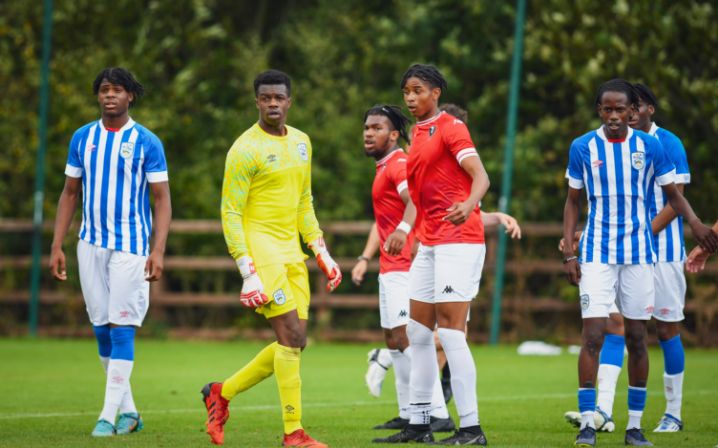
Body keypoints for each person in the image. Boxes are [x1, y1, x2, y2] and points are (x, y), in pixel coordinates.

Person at [562, 79, 718, 447]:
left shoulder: (651, 146)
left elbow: (672, 195)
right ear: (599, 110)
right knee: (594, 335)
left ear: (633, 111)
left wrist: (695, 225)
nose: (614, 116)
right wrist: (570, 251)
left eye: (621, 110)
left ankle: (635, 426)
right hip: (598, 252)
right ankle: (589, 421)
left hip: (640, 254)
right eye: (607, 110)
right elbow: (572, 200)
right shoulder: (582, 146)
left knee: (638, 336)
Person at [201, 70, 342, 447]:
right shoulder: (244, 149)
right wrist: (247, 270)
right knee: (292, 335)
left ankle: (221, 392)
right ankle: (293, 434)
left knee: (295, 343)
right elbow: (230, 213)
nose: (273, 104)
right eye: (266, 98)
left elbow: (303, 202)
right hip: (261, 251)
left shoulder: (301, 143)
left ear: (290, 101)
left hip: (292, 252)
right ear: (257, 102)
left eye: (279, 98)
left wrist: (321, 251)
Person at [358, 103, 521, 409]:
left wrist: (495, 216)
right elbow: (398, 216)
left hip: (438, 256)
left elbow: (458, 207)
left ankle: (439, 416)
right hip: (421, 259)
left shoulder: (412, 165)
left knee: (441, 336)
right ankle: (424, 415)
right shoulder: (412, 164)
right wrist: (374, 252)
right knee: (429, 337)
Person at [49, 67, 172, 437]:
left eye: (117, 90)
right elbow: (70, 193)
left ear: (130, 96)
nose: (109, 96)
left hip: (131, 247)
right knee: (101, 328)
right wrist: (57, 244)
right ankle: (130, 412)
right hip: (90, 244)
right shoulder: (83, 138)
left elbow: (162, 199)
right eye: (104, 90)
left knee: (122, 327)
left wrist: (158, 250)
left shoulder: (147, 141)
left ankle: (107, 416)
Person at [375, 64, 491, 445]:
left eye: (418, 90)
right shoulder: (415, 133)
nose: (410, 98)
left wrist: (469, 204)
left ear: (436, 92)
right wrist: (410, 229)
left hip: (460, 238)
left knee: (452, 333)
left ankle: (471, 428)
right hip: (430, 242)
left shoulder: (451, 128)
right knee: (417, 332)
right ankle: (420, 424)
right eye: (406, 91)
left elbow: (481, 176)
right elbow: (422, 194)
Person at [356, 104, 455, 435]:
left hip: (405, 266)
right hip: (390, 266)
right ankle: (408, 412)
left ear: (394, 134)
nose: (369, 133)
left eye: (377, 128)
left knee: (408, 339)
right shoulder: (384, 165)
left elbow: (415, 202)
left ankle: (435, 413)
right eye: (367, 127)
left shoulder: (398, 164)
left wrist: (403, 231)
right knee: (395, 338)